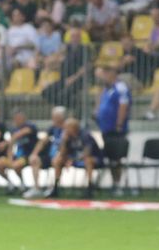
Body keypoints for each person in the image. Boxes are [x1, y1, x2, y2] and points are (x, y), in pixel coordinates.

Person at [94, 63, 129, 196]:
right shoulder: (106, 89)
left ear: (111, 74)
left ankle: (117, 184)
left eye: (103, 74)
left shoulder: (120, 87)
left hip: (116, 130)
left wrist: (119, 124)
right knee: (109, 157)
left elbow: (123, 105)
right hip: (106, 129)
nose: (102, 78)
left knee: (116, 158)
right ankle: (113, 183)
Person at [50, 117, 101, 197]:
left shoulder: (85, 135)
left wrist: (72, 160)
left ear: (73, 128)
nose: (65, 130)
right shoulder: (67, 137)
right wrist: (64, 141)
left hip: (93, 159)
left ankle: (90, 188)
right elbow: (62, 153)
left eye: (67, 128)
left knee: (88, 160)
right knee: (57, 160)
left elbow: (87, 153)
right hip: (74, 159)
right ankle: (55, 188)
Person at [24, 106, 67, 198]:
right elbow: (43, 141)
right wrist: (34, 153)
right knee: (34, 159)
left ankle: (55, 188)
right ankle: (37, 188)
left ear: (61, 117)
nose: (53, 119)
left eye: (55, 117)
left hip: (63, 156)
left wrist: (60, 154)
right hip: (50, 156)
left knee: (56, 161)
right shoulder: (52, 128)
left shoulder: (67, 128)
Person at [0, 109, 36, 194]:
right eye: (15, 118)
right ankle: (10, 184)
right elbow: (11, 146)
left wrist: (6, 142)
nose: (17, 120)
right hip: (16, 156)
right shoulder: (13, 130)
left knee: (16, 165)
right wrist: (10, 158)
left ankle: (23, 185)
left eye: (19, 118)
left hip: (27, 156)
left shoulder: (30, 126)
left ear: (24, 118)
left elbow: (19, 135)